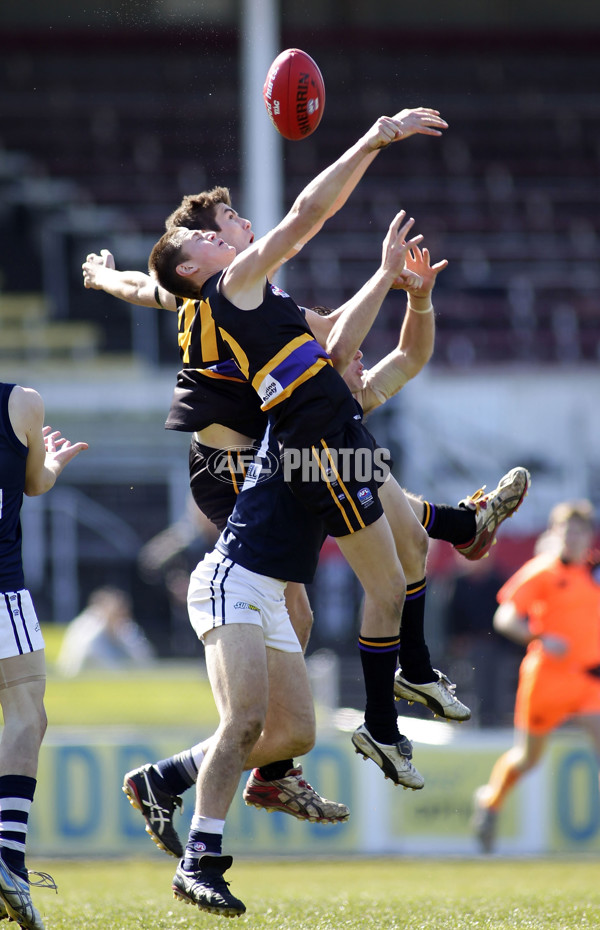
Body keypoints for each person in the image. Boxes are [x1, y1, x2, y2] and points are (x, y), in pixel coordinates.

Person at [0, 382, 87, 929]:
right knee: (28, 714)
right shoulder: (21, 403)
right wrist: (50, 462)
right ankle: (7, 860)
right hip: (1, 592)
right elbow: (34, 484)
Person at [472, 499, 600, 854]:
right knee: (527, 758)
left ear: (589, 536)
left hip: (589, 681)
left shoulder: (593, 572)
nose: (573, 538)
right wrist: (539, 637)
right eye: (567, 530)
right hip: (547, 679)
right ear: (556, 533)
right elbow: (505, 618)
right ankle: (490, 802)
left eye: (580, 531)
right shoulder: (541, 571)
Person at [56, 586, 155, 677]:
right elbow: (88, 655)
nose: (123, 614)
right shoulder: (89, 626)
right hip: (82, 679)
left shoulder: (123, 627)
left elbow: (145, 659)